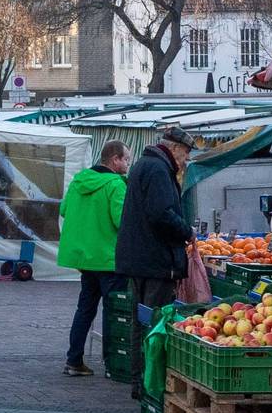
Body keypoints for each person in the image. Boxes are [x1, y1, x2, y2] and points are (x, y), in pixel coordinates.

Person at [57, 141, 130, 376]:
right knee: (112, 313)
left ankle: (73, 360)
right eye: (126, 159)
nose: (128, 164)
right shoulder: (116, 184)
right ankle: (112, 365)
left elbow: (64, 210)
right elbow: (121, 220)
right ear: (115, 159)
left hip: (85, 259)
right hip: (109, 259)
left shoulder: (79, 181)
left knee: (85, 309)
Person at [112, 126, 197, 310]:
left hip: (140, 259)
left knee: (139, 316)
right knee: (154, 316)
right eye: (186, 151)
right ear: (175, 147)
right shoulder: (158, 169)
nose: (187, 158)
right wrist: (187, 231)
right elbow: (161, 214)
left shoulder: (145, 164)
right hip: (155, 261)